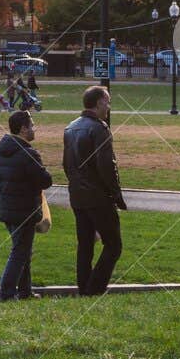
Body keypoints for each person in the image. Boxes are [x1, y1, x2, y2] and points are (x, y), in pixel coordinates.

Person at [62, 84, 126, 296]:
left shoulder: (70, 127)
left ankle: (84, 287)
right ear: (99, 103)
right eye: (107, 102)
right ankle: (94, 289)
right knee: (113, 245)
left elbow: (66, 164)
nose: (108, 106)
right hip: (98, 195)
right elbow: (107, 166)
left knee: (86, 244)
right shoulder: (100, 128)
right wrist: (116, 195)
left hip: (77, 195)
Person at [0, 110, 53, 300]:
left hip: (7, 208)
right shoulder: (28, 154)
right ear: (23, 128)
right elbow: (45, 180)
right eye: (32, 125)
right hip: (24, 211)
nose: (34, 129)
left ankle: (25, 291)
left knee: (23, 250)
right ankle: (6, 294)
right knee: (20, 253)